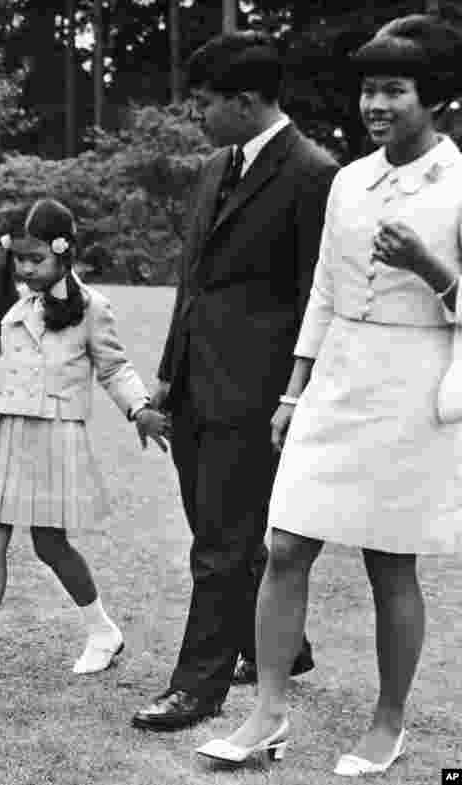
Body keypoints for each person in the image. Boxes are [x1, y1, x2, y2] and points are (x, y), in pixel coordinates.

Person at [196, 16, 462, 776]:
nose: (375, 105)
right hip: (336, 378)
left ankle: (389, 721)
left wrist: (432, 266)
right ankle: (268, 713)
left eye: (395, 90)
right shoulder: (348, 179)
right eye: (369, 89)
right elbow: (321, 290)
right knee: (283, 544)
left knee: (389, 563)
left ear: (435, 98)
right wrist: (292, 390)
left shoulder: (459, 186)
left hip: (413, 382)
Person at [132, 31, 339, 730]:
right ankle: (284, 644)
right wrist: (167, 374)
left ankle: (198, 687)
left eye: (206, 103)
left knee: (218, 544)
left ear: (246, 102)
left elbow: (319, 293)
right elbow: (194, 280)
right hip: (194, 383)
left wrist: (294, 396)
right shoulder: (217, 164)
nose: (198, 116)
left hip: (256, 393)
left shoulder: (314, 173)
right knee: (221, 531)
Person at [0, 199, 170, 683]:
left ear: (64, 253)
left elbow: (115, 367)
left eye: (37, 259)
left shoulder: (93, 308)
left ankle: (102, 631)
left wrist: (140, 409)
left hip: (56, 435)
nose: (27, 268)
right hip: (7, 432)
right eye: (21, 258)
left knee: (50, 544)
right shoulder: (12, 307)